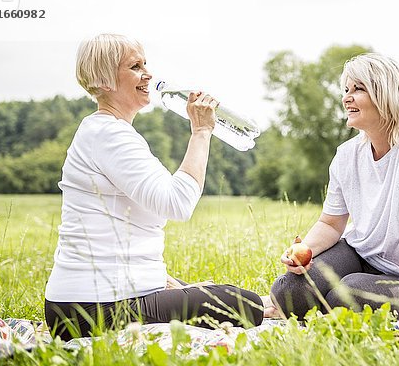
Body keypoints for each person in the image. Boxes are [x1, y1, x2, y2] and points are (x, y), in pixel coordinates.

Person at [44, 34, 262, 340]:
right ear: (104, 80)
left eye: (146, 63)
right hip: (92, 308)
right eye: (135, 66)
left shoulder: (105, 131)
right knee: (245, 305)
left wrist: (165, 282)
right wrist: (201, 131)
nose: (147, 73)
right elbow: (178, 203)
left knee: (207, 292)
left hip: (84, 304)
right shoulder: (110, 136)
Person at [267, 53, 399, 320]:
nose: (346, 97)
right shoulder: (346, 155)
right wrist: (302, 254)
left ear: (387, 95)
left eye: (358, 89)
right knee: (289, 291)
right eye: (346, 90)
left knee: (348, 295)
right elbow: (331, 224)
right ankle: (318, 307)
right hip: (357, 254)